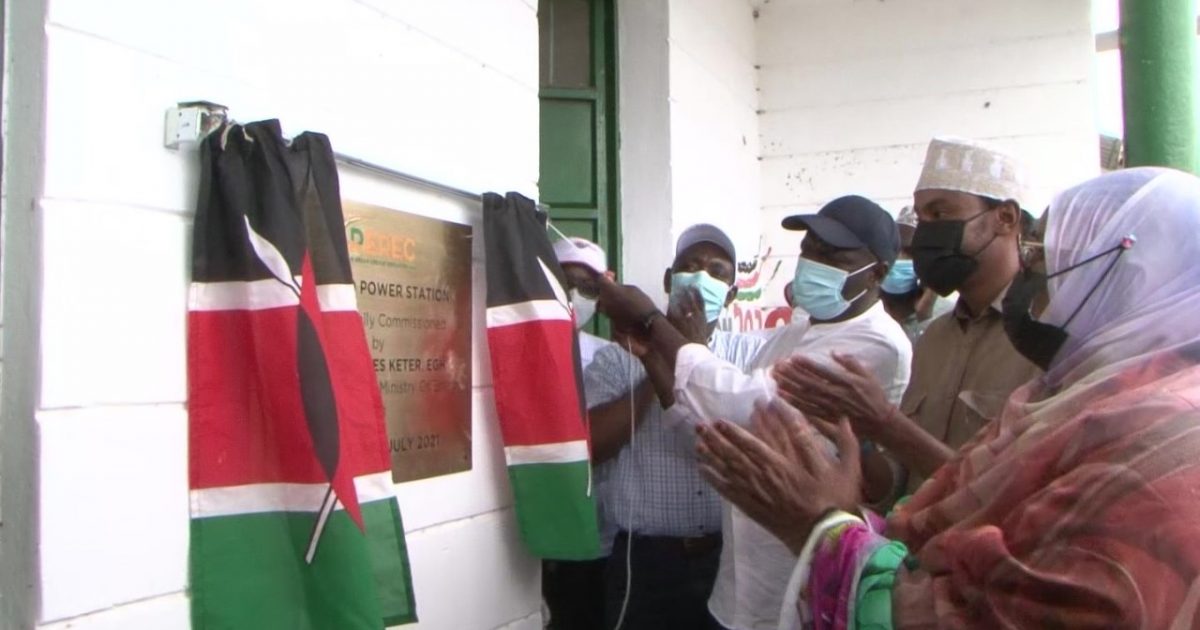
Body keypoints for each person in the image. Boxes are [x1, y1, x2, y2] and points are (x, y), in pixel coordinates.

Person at [698, 167, 1200, 629]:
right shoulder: (1056, 386)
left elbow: (982, 613)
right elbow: (921, 496)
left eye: (1045, 260)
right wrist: (856, 477)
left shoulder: (1149, 454)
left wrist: (822, 528)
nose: (1032, 278)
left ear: (1130, 278)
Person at [597, 195, 911, 630]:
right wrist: (653, 355)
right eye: (810, 250)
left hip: (798, 576)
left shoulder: (876, 341)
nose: (814, 262)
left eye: (833, 256)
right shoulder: (793, 335)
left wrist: (653, 321)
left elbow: (747, 408)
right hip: (739, 582)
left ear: (877, 272)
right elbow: (718, 429)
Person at [776, 137, 1041, 494]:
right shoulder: (935, 340)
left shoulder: (1044, 338)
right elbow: (898, 483)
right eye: (921, 217)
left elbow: (1012, 492)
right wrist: (857, 439)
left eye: (940, 214)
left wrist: (885, 423)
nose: (926, 232)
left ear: (1005, 218)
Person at [585, 224, 763, 630]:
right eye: (691, 266)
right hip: (646, 564)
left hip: (729, 558)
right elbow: (591, 447)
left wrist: (693, 358)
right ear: (668, 280)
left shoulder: (749, 357)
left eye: (717, 272)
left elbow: (745, 439)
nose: (701, 278)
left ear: (731, 294)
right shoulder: (617, 359)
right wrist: (660, 360)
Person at [543, 236, 614, 630]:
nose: (573, 295)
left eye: (586, 287)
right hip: (535, 527)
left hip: (598, 533)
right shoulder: (515, 345)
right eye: (564, 282)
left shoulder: (610, 357)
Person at [879, 206, 953, 343]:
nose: (898, 258)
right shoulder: (868, 311)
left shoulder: (948, 318)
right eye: (895, 250)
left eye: (909, 253)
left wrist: (925, 315)